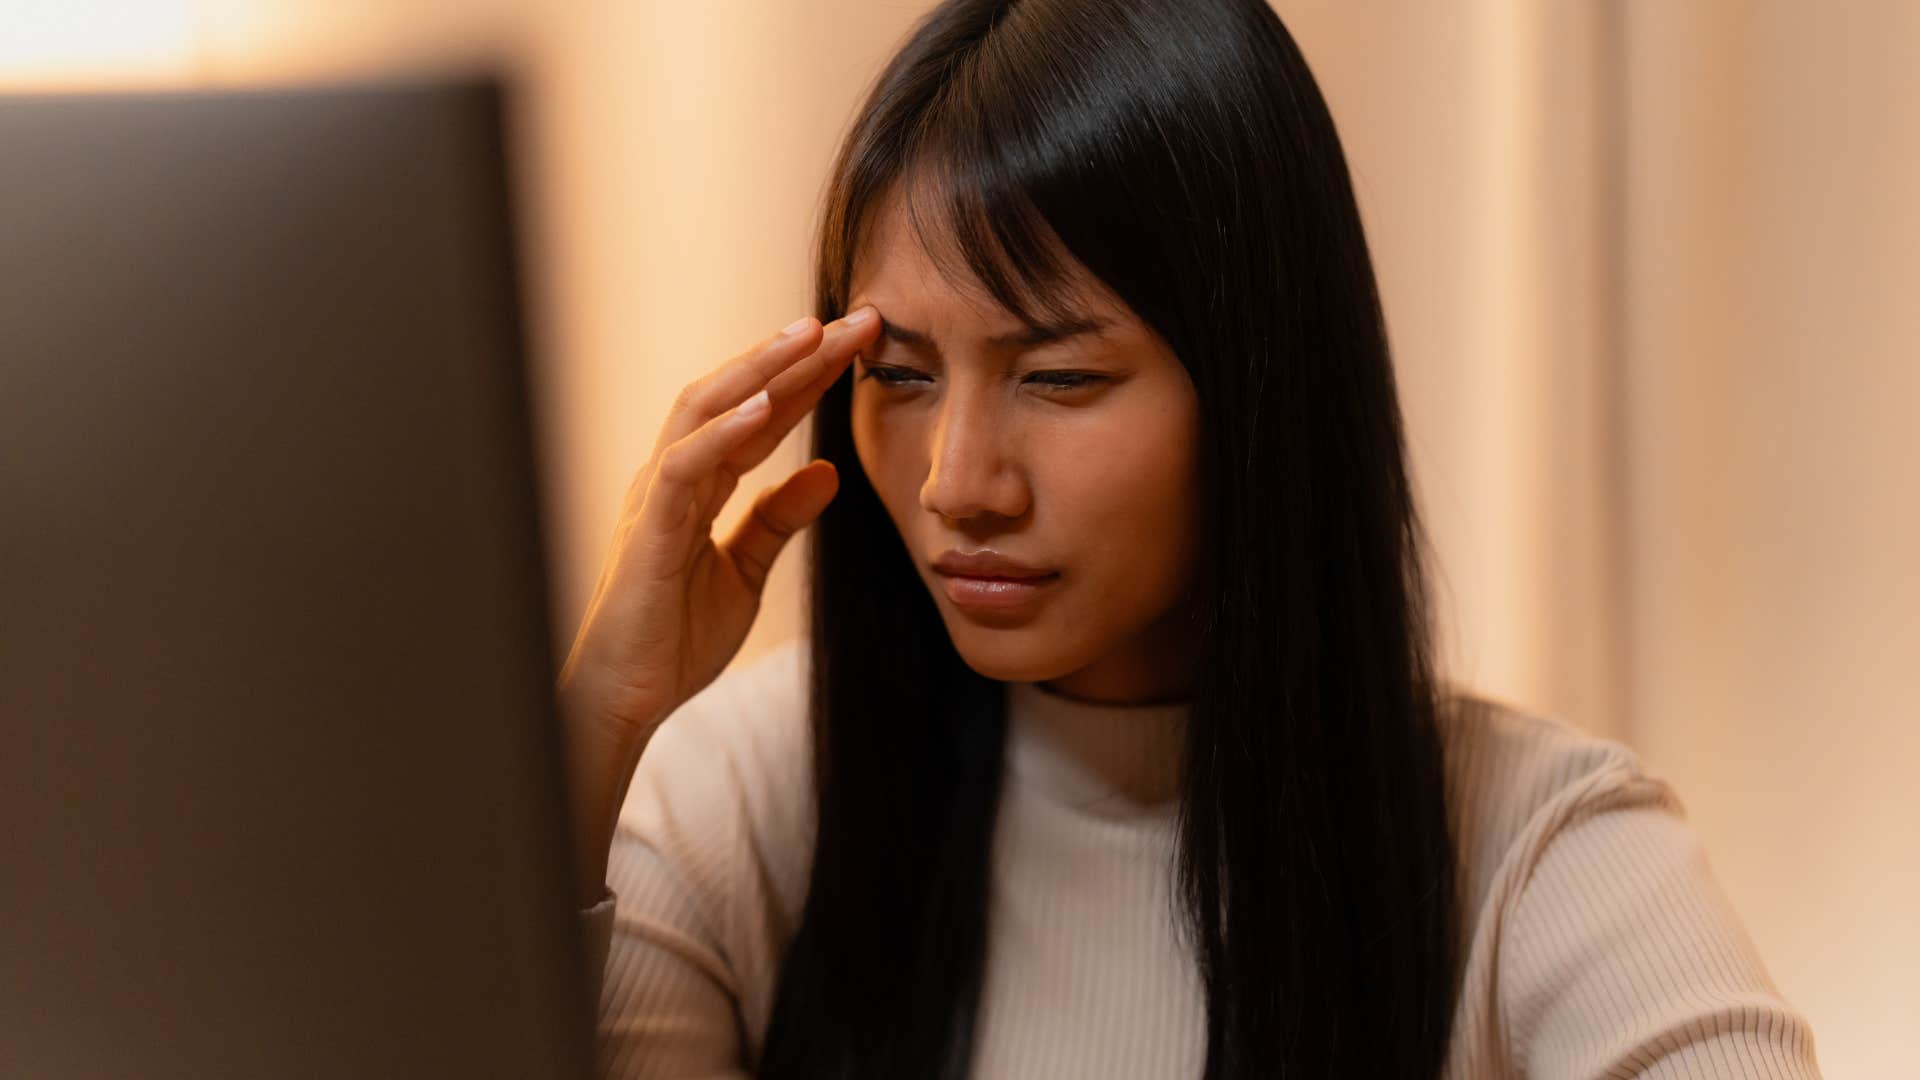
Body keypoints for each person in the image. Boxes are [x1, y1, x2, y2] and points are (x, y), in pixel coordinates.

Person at [553, 0, 1824, 1076]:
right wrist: (597, 723)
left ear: (1262, 388)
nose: (958, 483)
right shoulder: (741, 797)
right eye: (900, 376)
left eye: (1056, 378)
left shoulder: (1528, 846)